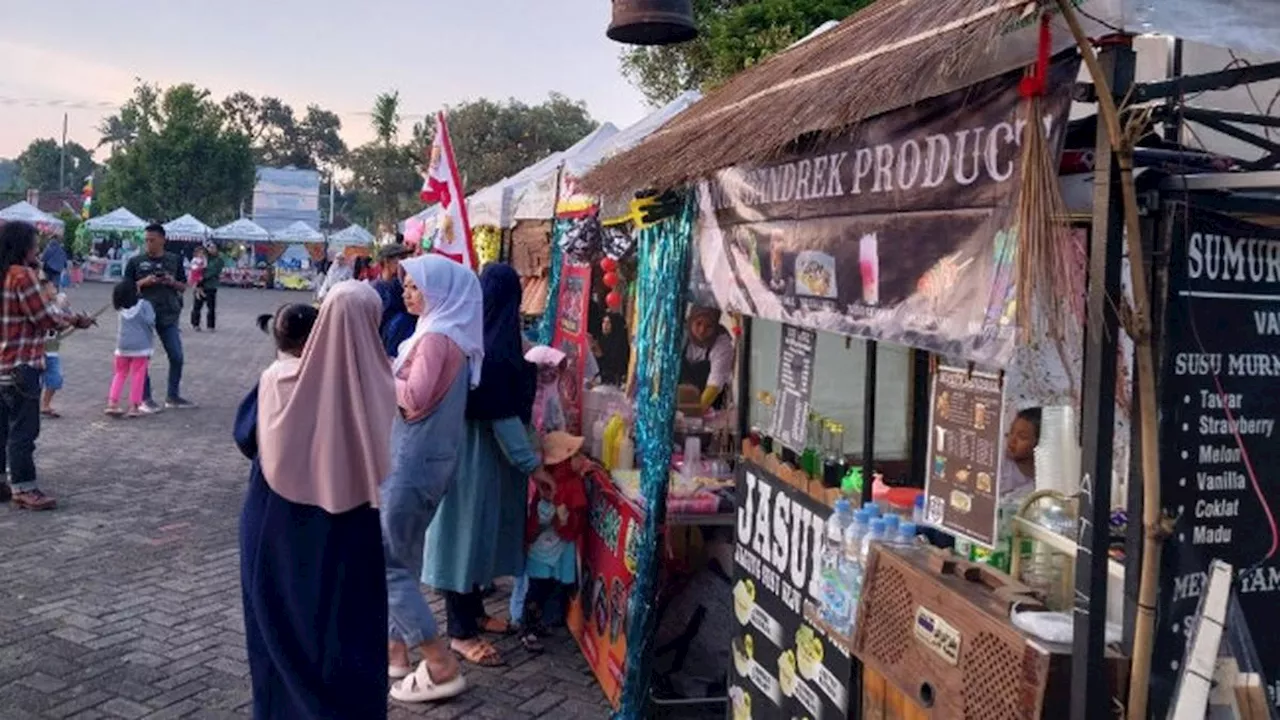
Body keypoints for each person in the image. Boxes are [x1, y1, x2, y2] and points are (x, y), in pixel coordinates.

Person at [236, 284, 394, 719]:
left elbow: (244, 435)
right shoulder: (379, 382)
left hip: (278, 520)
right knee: (346, 630)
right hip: (352, 523)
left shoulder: (280, 378)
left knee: (280, 627)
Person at [422, 263, 546, 668]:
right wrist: (532, 464)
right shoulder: (487, 347)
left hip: (479, 459)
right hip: (474, 461)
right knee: (465, 542)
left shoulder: (481, 337)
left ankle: (473, 611)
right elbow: (500, 415)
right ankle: (459, 631)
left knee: (476, 541)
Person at [382, 254, 483, 704]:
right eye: (405, 285)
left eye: (416, 286)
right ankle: (396, 651)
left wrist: (380, 377)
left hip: (413, 462)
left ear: (440, 293)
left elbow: (414, 400)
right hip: (427, 462)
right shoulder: (447, 335)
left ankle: (439, 662)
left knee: (388, 564)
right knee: (399, 557)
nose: (407, 292)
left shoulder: (438, 339)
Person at [0, 222, 94, 510]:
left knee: (1, 428)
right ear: (23, 245)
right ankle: (25, 488)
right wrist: (75, 319)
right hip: (22, 365)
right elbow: (44, 318)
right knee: (23, 431)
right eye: (34, 243)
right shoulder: (22, 275)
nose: (37, 249)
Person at [519, 431, 587, 654]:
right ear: (565, 460)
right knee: (537, 588)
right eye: (577, 455)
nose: (582, 459)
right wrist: (556, 513)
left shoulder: (570, 481)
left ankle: (536, 623)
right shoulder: (552, 485)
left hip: (557, 547)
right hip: (544, 547)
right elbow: (540, 517)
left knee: (547, 587)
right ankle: (526, 628)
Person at [124, 223, 194, 412]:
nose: (149, 244)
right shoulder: (135, 262)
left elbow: (183, 286)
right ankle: (145, 398)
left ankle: (173, 395)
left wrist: (172, 282)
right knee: (142, 358)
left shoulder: (174, 259)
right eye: (146, 240)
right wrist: (143, 282)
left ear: (163, 240)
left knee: (177, 356)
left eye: (152, 240)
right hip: (142, 315)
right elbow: (124, 289)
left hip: (168, 314)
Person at [105, 279, 155, 418]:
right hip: (141, 346)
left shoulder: (120, 308)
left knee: (119, 374)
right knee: (138, 375)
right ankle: (134, 406)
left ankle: (112, 403)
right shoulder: (145, 305)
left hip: (122, 345)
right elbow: (151, 321)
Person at [679, 306, 735, 413]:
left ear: (716, 327)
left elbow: (715, 383)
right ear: (691, 321)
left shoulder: (722, 343)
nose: (702, 331)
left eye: (709, 326)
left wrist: (696, 412)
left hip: (711, 406)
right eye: (698, 323)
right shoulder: (680, 334)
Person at [371, 243, 416, 358]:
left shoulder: (407, 284)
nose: (405, 263)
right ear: (386, 262)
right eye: (400, 259)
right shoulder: (375, 289)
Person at [38, 277, 69, 418]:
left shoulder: (55, 307)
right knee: (35, 381)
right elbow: (57, 320)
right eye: (52, 288)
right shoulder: (44, 308)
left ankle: (45, 404)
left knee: (55, 379)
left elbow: (63, 324)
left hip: (52, 351)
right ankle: (38, 405)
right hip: (40, 351)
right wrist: (61, 307)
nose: (55, 291)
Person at [525, 345, 567, 433]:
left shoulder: (553, 388)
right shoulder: (526, 397)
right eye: (547, 368)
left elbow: (559, 418)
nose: (553, 373)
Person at [1002, 406, 1041, 495]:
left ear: (1039, 444)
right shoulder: (1002, 467)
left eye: (1022, 437)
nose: (1012, 440)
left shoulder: (1043, 479)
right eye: (1011, 432)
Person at [191, 242, 225, 332]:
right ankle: (195, 324)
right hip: (199, 286)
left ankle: (211, 326)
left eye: (214, 248)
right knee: (197, 306)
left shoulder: (219, 260)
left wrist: (203, 277)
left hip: (211, 285)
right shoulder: (202, 258)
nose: (212, 249)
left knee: (211, 307)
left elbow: (214, 271)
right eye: (210, 248)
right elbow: (195, 268)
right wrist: (197, 279)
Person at [594, 311, 630, 386]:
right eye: (603, 322)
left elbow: (617, 368)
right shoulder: (600, 340)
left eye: (608, 323)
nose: (605, 325)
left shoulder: (620, 346)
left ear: (615, 325)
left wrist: (601, 356)